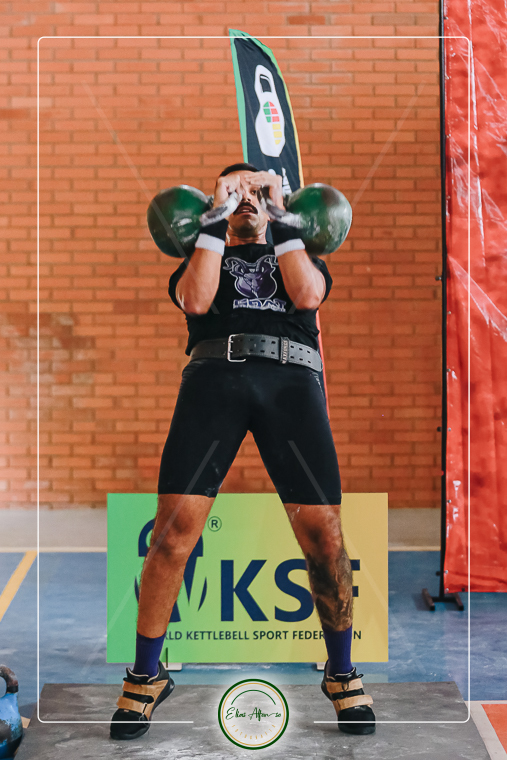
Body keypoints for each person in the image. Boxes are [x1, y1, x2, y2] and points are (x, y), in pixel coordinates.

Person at [110, 162, 375, 740]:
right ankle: (145, 675)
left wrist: (281, 214)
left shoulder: (298, 250)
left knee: (324, 535)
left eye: (258, 187)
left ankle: (341, 672)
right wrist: (216, 216)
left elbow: (307, 294)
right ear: (218, 203)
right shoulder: (202, 253)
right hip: (214, 382)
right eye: (236, 189)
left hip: (291, 385)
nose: (248, 197)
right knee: (172, 535)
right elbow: (196, 302)